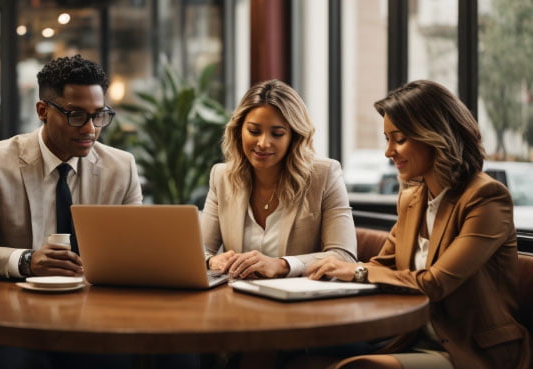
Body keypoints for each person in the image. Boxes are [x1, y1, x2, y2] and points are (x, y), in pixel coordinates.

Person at [303, 80, 531, 369]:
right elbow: (382, 265)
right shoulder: (412, 199)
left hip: (470, 351)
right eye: (387, 139)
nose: (388, 152)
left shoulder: (486, 198)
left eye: (398, 139)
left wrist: (357, 270)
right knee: (292, 347)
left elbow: (435, 284)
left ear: (435, 135)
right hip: (410, 338)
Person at [0, 55, 142, 369]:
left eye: (98, 115)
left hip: (96, 318)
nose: (90, 128)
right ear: (42, 111)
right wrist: (26, 260)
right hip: (9, 321)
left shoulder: (121, 167)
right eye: (76, 115)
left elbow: (136, 251)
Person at [201, 79, 357, 280]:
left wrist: (282, 264)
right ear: (239, 131)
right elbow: (200, 248)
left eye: (277, 134)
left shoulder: (324, 175)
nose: (263, 143)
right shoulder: (221, 176)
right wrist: (212, 261)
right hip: (239, 301)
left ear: (293, 136)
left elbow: (344, 255)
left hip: (301, 305)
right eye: (254, 131)